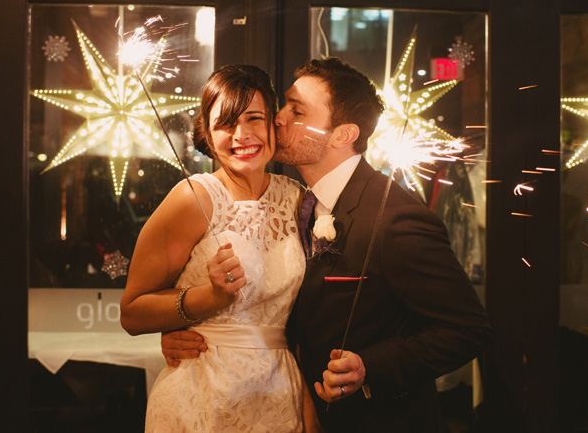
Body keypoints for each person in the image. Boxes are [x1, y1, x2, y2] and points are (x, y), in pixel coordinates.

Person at [161, 57, 493, 432]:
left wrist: (369, 366)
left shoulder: (395, 219)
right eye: (283, 103)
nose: (278, 118)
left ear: (342, 135)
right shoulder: (296, 202)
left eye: (296, 110)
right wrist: (201, 334)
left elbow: (469, 329)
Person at [120, 64, 316, 432]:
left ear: (273, 123)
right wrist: (209, 298)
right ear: (208, 135)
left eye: (254, 118)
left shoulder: (297, 199)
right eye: (225, 123)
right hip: (201, 396)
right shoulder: (191, 199)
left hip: (279, 395)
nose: (242, 135)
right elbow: (132, 313)